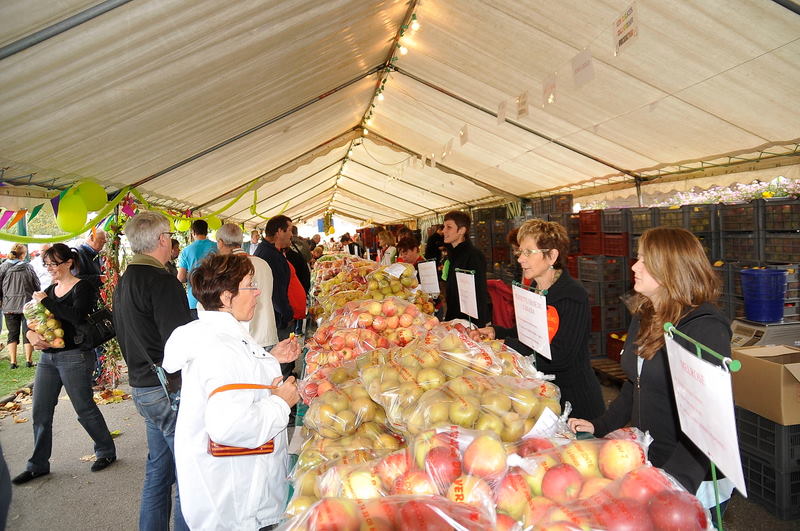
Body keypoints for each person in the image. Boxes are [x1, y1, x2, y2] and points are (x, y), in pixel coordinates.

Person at [568, 227, 733, 508]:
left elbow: (709, 421)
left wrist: (674, 482)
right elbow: (637, 382)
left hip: (690, 477)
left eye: (645, 260)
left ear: (671, 269)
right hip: (649, 460)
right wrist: (600, 425)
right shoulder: (646, 314)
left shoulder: (705, 328)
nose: (634, 266)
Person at [162, 253, 300, 530]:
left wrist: (270, 358)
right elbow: (230, 426)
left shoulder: (217, 335)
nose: (257, 292)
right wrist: (281, 403)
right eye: (250, 285)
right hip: (237, 502)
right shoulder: (220, 348)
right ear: (226, 298)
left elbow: (238, 379)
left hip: (233, 492)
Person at [473, 219, 604, 419]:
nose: (520, 259)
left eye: (528, 252)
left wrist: (506, 346)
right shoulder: (536, 289)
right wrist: (496, 332)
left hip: (573, 402)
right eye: (520, 252)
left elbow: (560, 356)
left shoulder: (572, 296)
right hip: (543, 395)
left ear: (551, 256)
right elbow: (528, 335)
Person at [113, 211, 193, 530]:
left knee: (159, 471)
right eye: (170, 236)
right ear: (162, 240)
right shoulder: (161, 281)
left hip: (143, 387)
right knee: (189, 476)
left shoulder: (125, 279)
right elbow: (180, 344)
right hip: (166, 389)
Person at [13, 244, 116, 485]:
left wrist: (47, 302)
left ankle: (105, 451)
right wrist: (30, 335)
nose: (49, 268)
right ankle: (37, 464)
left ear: (69, 263)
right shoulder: (49, 290)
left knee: (84, 408)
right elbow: (33, 321)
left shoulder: (82, 287)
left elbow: (76, 317)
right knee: (40, 411)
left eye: (54, 264)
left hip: (74, 356)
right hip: (48, 359)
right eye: (46, 264)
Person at [216, 223, 278, 349]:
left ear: (220, 243)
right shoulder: (263, 263)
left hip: (241, 340)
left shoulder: (224, 268)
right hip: (267, 334)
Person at [254, 216, 295, 377]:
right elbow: (276, 293)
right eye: (289, 230)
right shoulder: (269, 255)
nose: (292, 234)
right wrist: (287, 314)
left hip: (277, 316)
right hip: (278, 319)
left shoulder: (270, 251)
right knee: (281, 363)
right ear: (279, 232)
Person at [441, 210, 490, 326]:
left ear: (462, 230)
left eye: (449, 227)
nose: (443, 231)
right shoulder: (453, 254)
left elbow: (478, 295)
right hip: (454, 317)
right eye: (444, 227)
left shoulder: (473, 256)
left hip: (468, 322)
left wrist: (474, 326)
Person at [0, 244, 40, 368]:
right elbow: (36, 284)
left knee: (12, 333)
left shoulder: (3, 267)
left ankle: (13, 362)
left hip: (9, 305)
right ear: (23, 254)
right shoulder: (28, 267)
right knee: (28, 332)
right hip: (27, 305)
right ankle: (28, 360)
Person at [177, 219, 217, 318]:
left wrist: (192, 275)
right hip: (214, 297)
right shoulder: (217, 247)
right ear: (206, 231)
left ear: (193, 232)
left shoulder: (186, 251)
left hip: (194, 299)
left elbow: (181, 278)